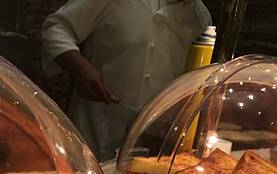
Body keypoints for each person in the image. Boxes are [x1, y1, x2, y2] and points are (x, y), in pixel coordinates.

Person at [42, 0, 212, 161]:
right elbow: (56, 28)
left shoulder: (200, 16)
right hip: (100, 122)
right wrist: (82, 70)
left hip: (155, 136)